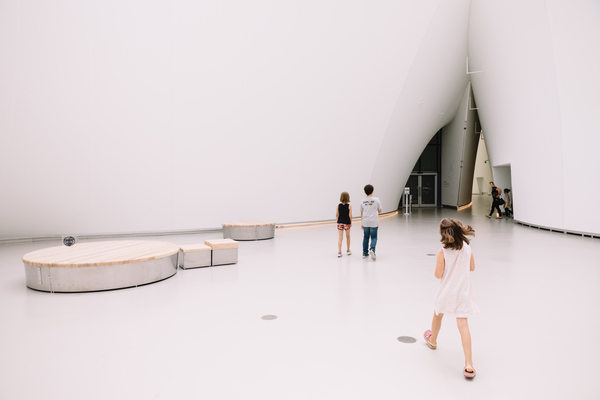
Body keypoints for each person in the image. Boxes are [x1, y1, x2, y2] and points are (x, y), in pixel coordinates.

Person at [423, 218, 480, 378]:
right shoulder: (467, 248)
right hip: (463, 292)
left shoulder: (442, 252)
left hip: (446, 292)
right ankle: (469, 364)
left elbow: (437, 274)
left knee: (437, 315)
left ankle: (433, 340)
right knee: (463, 325)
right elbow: (472, 268)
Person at [360, 184, 382, 260]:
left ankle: (364, 253)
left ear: (364, 192)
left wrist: (361, 223)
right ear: (373, 191)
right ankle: (372, 249)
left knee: (366, 237)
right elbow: (379, 210)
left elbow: (362, 213)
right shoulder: (376, 200)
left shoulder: (362, 201)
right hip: (374, 221)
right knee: (374, 237)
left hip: (365, 221)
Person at [336, 192, 352, 257]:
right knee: (348, 236)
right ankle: (348, 250)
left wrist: (338, 221)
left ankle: (339, 252)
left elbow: (337, 214)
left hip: (340, 222)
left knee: (340, 238)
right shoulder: (349, 206)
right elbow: (350, 216)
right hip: (347, 223)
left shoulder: (338, 205)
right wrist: (350, 222)